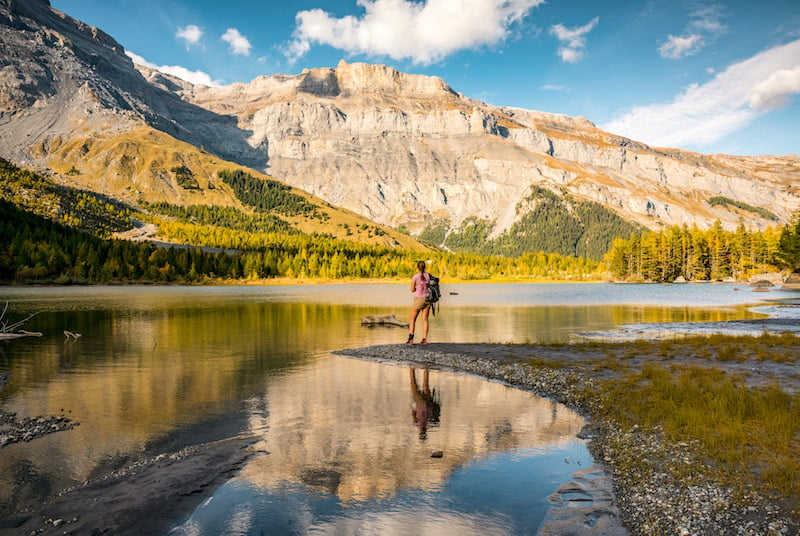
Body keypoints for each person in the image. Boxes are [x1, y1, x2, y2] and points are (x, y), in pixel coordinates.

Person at [406, 260, 431, 345]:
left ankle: (411, 339)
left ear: (417, 267)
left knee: (412, 319)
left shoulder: (415, 277)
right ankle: (424, 340)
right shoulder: (428, 276)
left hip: (419, 299)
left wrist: (418, 288)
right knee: (425, 320)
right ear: (425, 267)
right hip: (427, 299)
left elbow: (412, 289)